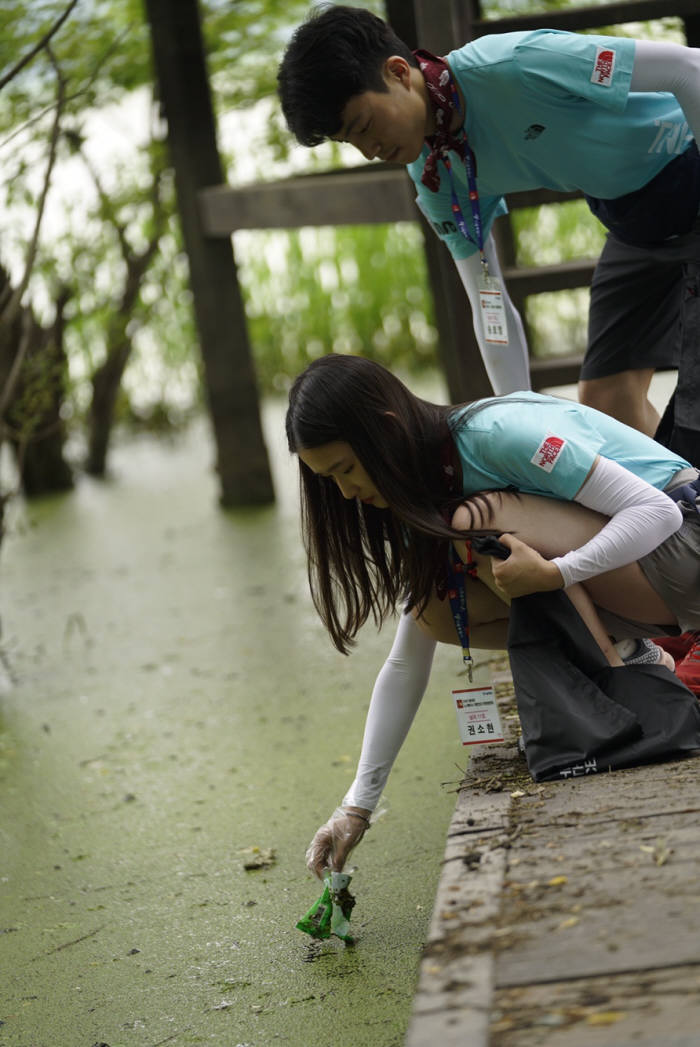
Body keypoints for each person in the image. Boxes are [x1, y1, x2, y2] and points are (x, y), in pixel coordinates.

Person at [286, 353, 700, 877]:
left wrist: (559, 574)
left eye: (346, 469)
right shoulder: (425, 480)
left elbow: (657, 512)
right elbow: (405, 662)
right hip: (647, 584)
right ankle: (628, 654)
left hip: (686, 541)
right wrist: (355, 808)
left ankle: (616, 692)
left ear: (385, 430)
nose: (345, 493)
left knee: (475, 524)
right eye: (329, 481)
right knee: (433, 610)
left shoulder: (495, 435)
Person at [277, 5, 700, 459]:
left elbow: (687, 67)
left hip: (688, 161)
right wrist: (521, 418)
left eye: (364, 126)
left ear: (398, 72)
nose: (368, 150)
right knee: (606, 398)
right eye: (350, 142)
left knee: (694, 423)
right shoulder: (436, 175)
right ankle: (677, 511)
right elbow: (487, 299)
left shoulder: (515, 64)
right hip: (634, 219)